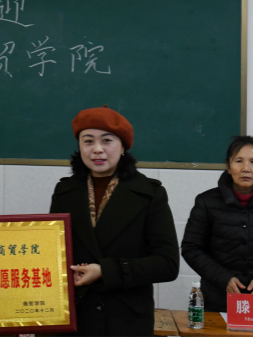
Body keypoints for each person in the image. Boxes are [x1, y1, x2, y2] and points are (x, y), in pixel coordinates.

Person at [49, 106, 179, 336]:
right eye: (88, 141)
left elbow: (167, 264)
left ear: (123, 147)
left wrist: (106, 271)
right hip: (77, 317)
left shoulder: (150, 194)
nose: (97, 149)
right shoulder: (64, 192)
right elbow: (53, 255)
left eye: (107, 140)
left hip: (126, 320)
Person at [181, 136, 253, 312]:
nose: (246, 168)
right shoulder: (206, 202)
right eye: (239, 161)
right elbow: (191, 248)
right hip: (219, 299)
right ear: (228, 167)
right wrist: (224, 278)